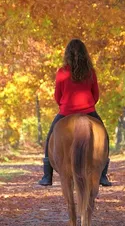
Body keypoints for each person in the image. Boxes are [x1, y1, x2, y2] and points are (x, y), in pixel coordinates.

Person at [39, 39, 112, 187]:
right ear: (85, 54)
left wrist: (65, 106)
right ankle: (103, 175)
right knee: (104, 137)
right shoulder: (91, 72)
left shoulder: (62, 72)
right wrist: (87, 105)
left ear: (67, 54)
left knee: (50, 138)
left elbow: (57, 96)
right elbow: (96, 95)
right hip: (89, 111)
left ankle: (47, 176)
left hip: (66, 112)